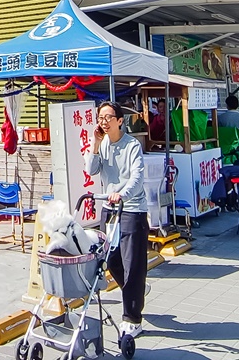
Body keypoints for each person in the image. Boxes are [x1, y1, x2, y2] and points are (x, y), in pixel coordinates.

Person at [85, 101, 148, 340]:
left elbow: (137, 178)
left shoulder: (132, 145)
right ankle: (136, 290)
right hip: (109, 209)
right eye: (100, 117)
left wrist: (122, 194)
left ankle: (132, 319)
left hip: (132, 209)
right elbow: (91, 170)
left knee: (133, 265)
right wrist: (95, 144)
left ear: (120, 121)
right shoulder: (102, 144)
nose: (103, 121)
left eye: (108, 117)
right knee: (111, 260)